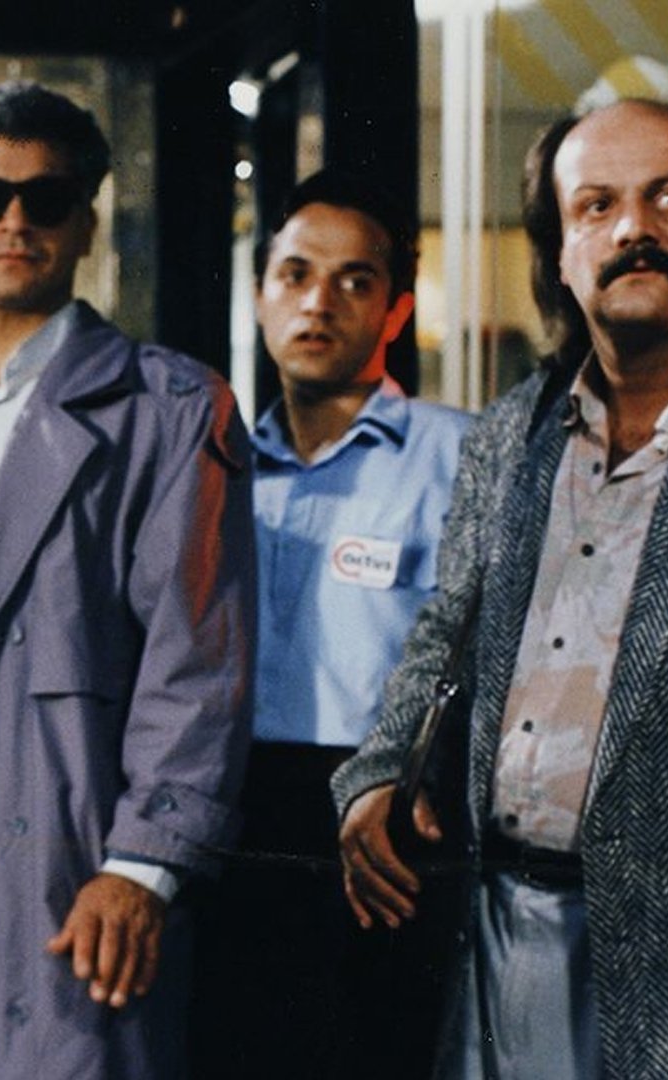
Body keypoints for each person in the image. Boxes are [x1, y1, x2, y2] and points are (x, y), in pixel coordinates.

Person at [335, 97, 668, 1079]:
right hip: (511, 941)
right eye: (596, 206)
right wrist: (379, 770)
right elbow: (446, 628)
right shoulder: (510, 434)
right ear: (559, 253)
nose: (634, 228)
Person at [0, 80, 254, 1080]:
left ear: (87, 223)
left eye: (47, 199)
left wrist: (144, 867)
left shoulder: (171, 410)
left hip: (66, 854)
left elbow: (197, 661)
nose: (16, 222)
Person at [193, 168, 471, 1078]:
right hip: (236, 811)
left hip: (388, 816)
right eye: (297, 275)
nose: (319, 303)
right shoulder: (217, 467)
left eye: (356, 281)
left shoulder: (458, 453)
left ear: (397, 308)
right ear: (261, 293)